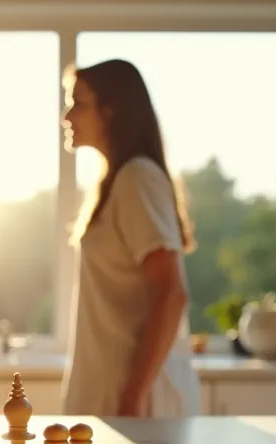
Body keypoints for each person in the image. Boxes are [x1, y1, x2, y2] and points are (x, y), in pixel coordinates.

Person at [59, 58, 201, 418]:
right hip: (115, 400)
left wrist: (131, 399)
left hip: (137, 406)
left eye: (78, 103)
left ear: (111, 110)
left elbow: (172, 292)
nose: (67, 117)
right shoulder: (117, 181)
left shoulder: (137, 179)